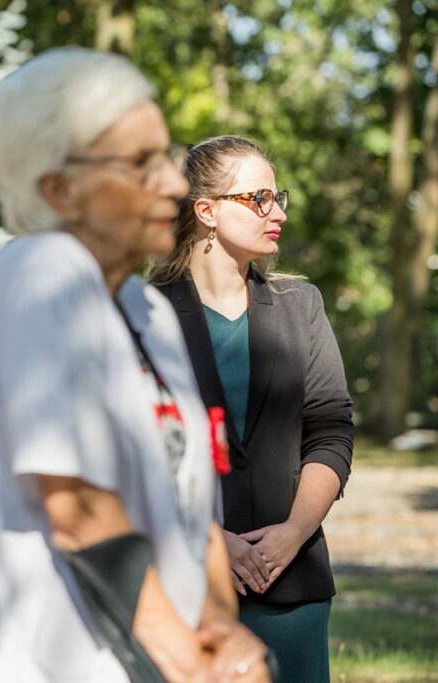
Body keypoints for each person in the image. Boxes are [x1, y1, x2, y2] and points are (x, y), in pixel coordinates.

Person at [0, 48, 269, 683]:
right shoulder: (38, 280)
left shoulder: (146, 308)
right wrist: (189, 661)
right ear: (59, 189)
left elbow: (196, 508)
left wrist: (222, 633)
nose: (174, 184)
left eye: (168, 155)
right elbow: (77, 508)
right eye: (141, 163)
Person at [150, 135, 354, 681]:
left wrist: (294, 532)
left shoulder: (301, 307)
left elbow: (330, 430)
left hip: (291, 586)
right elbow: (129, 449)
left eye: (277, 197)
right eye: (258, 198)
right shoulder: (144, 313)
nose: (278, 213)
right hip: (183, 588)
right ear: (207, 212)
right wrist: (209, 539)